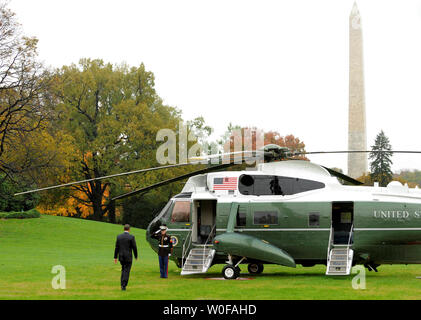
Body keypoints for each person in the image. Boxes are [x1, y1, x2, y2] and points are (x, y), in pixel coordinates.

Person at [114, 224, 138, 290]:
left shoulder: (119, 236)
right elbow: (134, 247)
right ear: (129, 229)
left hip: (121, 256)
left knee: (123, 269)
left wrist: (115, 257)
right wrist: (136, 256)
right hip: (128, 257)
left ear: (123, 229)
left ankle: (122, 283)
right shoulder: (131, 237)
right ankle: (123, 285)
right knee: (127, 271)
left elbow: (116, 247)